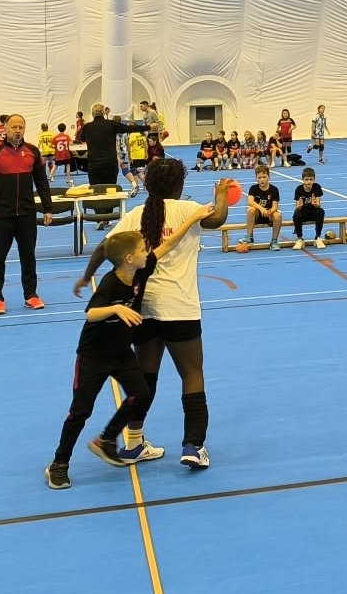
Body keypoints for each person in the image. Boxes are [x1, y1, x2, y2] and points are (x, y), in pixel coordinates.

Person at [78, 159, 233, 469]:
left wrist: (86, 276)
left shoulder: (136, 214)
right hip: (180, 308)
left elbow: (104, 248)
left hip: (142, 311)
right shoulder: (188, 210)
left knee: (146, 379)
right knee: (191, 374)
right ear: (179, 184)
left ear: (148, 184)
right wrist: (221, 195)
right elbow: (217, 219)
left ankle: (133, 443)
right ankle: (193, 445)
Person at [46, 230, 164, 490]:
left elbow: (164, 248)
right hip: (93, 356)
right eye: (142, 249)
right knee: (80, 411)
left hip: (121, 353)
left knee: (141, 394)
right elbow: (91, 313)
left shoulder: (141, 270)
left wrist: (192, 219)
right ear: (129, 258)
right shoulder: (111, 283)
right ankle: (59, 464)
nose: (147, 253)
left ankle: (106, 439)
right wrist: (117, 308)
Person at [0, 113, 54, 314]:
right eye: (14, 127)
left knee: (28, 257)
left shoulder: (33, 152)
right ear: (5, 129)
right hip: (2, 216)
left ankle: (31, 295)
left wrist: (48, 208)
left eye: (21, 127)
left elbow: (42, 182)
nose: (18, 131)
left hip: (27, 215)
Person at [76, 103, 139, 191]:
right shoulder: (120, 130)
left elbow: (115, 144)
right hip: (122, 152)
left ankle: (135, 184)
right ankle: (134, 184)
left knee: (126, 170)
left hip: (117, 152)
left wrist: (118, 156)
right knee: (128, 170)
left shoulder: (112, 130)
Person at [238, 165, 282, 250]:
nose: (262, 180)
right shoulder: (253, 188)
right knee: (251, 209)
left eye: (264, 177)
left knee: (278, 215)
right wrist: (261, 208)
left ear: (269, 177)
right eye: (259, 177)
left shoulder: (274, 189)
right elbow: (250, 202)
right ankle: (249, 236)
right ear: (256, 178)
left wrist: (270, 211)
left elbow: (275, 207)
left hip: (269, 215)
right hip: (257, 215)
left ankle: (274, 241)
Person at [290, 167, 327, 249]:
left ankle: (318, 237)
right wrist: (300, 205)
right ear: (303, 180)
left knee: (321, 212)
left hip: (313, 211)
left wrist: (315, 204)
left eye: (311, 179)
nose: (309, 182)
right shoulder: (299, 189)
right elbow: (297, 207)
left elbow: (318, 205)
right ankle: (300, 238)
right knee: (296, 215)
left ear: (314, 180)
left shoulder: (317, 187)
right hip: (303, 211)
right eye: (306, 179)